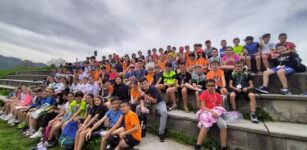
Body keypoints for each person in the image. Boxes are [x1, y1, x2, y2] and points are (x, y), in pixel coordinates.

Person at [195, 79, 227, 150]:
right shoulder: (204, 94)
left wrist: (217, 113)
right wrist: (211, 112)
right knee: (206, 125)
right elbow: (202, 106)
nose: (211, 87)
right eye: (209, 86)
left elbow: (220, 107)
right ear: (206, 86)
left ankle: (223, 146)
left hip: (215, 113)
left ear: (215, 86)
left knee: (223, 125)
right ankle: (198, 145)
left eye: (212, 85)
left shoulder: (218, 95)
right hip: (206, 112)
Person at [137, 77, 168, 142]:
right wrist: (142, 107)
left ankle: (161, 132)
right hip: (149, 104)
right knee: (138, 108)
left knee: (164, 112)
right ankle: (140, 128)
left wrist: (145, 95)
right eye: (142, 84)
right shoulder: (142, 90)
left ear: (148, 83)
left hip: (159, 103)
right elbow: (142, 100)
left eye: (145, 83)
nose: (144, 85)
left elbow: (154, 101)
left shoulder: (153, 88)